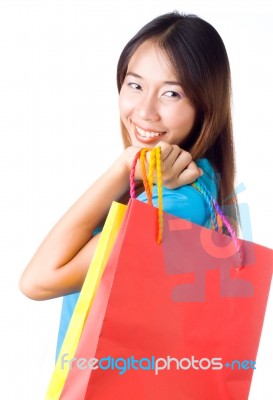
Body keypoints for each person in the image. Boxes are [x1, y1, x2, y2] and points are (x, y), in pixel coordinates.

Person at [19, 11, 239, 359]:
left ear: (205, 105)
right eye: (135, 85)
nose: (145, 111)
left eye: (171, 93)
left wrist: (124, 168)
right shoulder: (192, 185)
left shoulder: (176, 203)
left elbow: (38, 281)